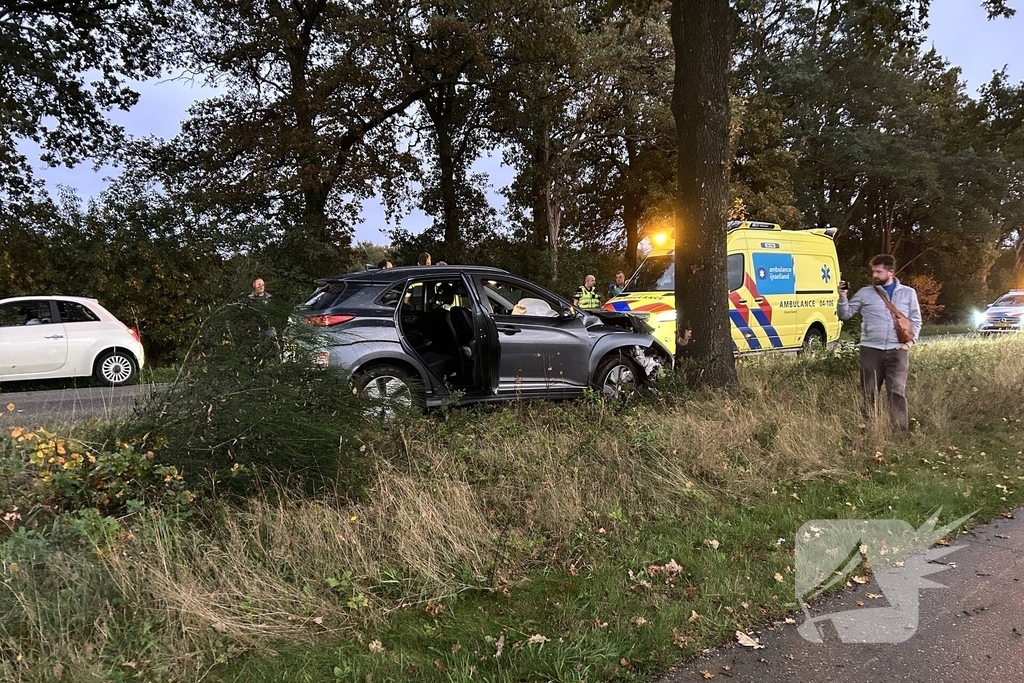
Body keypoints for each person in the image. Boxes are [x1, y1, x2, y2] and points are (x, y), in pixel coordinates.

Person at [838, 254, 922, 431]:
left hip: (897, 351)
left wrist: (908, 344)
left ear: (891, 272)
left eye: (879, 271)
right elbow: (845, 314)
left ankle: (899, 431)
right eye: (873, 271)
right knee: (869, 391)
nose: (874, 275)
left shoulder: (908, 293)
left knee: (896, 392)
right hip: (871, 350)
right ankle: (870, 428)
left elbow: (916, 320)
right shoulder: (865, 293)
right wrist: (843, 297)